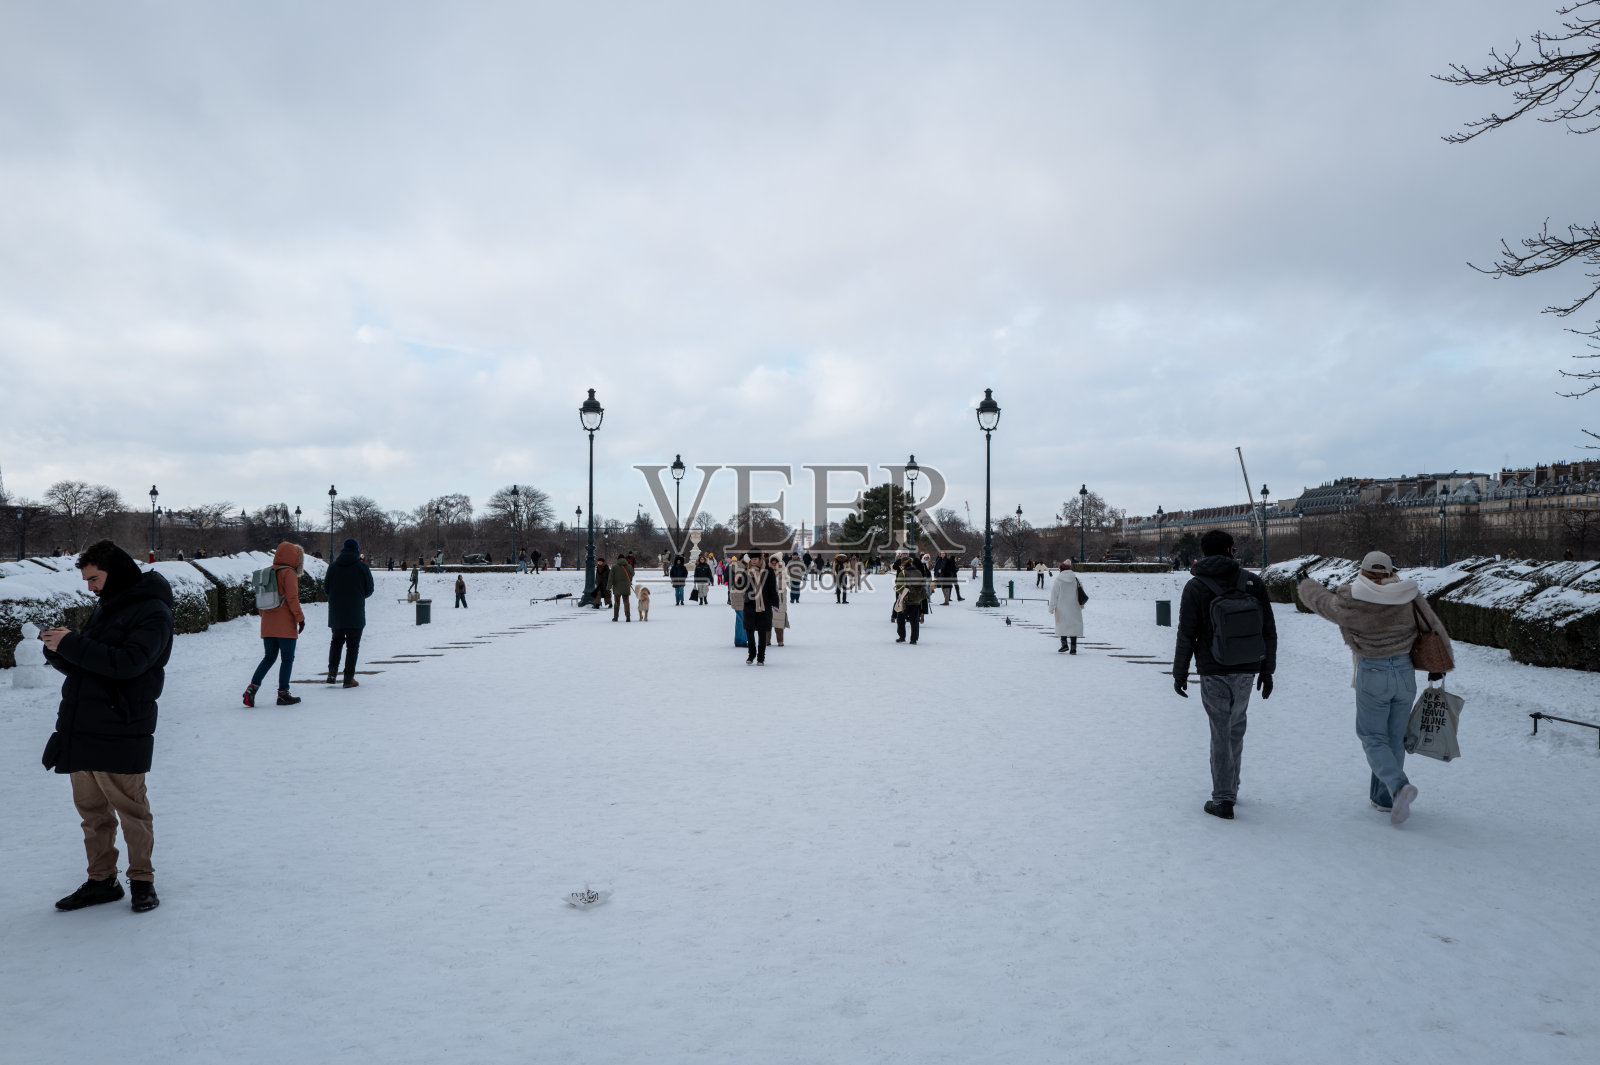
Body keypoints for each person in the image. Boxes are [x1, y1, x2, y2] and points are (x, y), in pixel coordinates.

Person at [40, 540, 173, 914]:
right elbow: (90, 667)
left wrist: (74, 644)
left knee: (132, 811)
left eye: (94, 578)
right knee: (93, 814)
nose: (90, 587)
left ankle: (142, 881)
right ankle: (101, 881)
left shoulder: (153, 611)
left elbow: (129, 664)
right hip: (81, 726)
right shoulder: (108, 607)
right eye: (87, 580)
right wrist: (59, 649)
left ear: (116, 573)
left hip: (122, 726)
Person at [1298, 550, 1453, 826]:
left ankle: (1398, 786)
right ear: (1391, 570)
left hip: (1373, 672)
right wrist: (1441, 663)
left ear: (1364, 570)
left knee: (1371, 736)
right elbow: (1434, 626)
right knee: (1394, 738)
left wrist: (1306, 585)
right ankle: (1383, 799)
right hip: (1405, 673)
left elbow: (1323, 604)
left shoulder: (1353, 598)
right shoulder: (1408, 594)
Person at [1172, 529, 1277, 821]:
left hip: (1212, 667)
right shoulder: (1252, 582)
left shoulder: (1195, 587)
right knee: (1236, 726)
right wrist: (1267, 670)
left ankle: (1223, 798)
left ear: (1203, 552)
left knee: (1220, 730)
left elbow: (1186, 634)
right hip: (1246, 666)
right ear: (1230, 550)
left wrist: (1179, 672)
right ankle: (1232, 786)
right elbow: (1268, 630)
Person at [244, 541, 307, 707]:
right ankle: (283, 694)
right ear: (294, 557)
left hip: (268, 624)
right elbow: (292, 599)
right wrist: (300, 618)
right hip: (285, 625)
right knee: (287, 659)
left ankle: (251, 689)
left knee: (269, 657)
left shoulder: (267, 572)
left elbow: (260, 600)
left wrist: (266, 618)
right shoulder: (289, 573)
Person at [325, 538, 375, 688]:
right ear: (357, 550)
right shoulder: (362, 567)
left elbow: (327, 588)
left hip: (337, 612)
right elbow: (370, 589)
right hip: (355, 612)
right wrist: (359, 596)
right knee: (353, 646)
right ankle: (348, 678)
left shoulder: (333, 567)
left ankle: (332, 673)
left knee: (336, 642)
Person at [741, 553, 779, 664]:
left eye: (755, 559)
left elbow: (773, 589)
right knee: (749, 630)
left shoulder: (769, 571)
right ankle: (751, 654)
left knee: (762, 631)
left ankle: (761, 657)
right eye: (752, 559)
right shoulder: (746, 571)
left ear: (760, 559)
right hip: (749, 604)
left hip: (764, 605)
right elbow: (739, 585)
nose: (754, 561)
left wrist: (775, 604)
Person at [1047, 560, 1084, 653]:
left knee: (1062, 624)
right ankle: (1073, 648)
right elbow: (1080, 592)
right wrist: (1081, 605)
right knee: (1073, 625)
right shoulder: (1075, 579)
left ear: (1061, 569)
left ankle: (1064, 644)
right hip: (1074, 606)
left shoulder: (1059, 580)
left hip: (1061, 606)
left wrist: (1051, 607)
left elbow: (1054, 595)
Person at [893, 555, 930, 644]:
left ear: (903, 565)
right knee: (914, 621)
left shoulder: (903, 573)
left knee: (900, 619)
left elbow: (898, 588)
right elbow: (922, 584)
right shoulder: (918, 572)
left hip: (905, 600)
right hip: (917, 600)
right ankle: (914, 639)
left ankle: (902, 637)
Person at [769, 554, 791, 646]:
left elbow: (788, 580)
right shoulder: (767, 570)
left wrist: (783, 585)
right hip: (769, 597)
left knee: (779, 619)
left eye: (776, 562)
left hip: (780, 597)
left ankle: (780, 640)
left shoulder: (784, 570)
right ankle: (767, 640)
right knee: (768, 620)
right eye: (772, 563)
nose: (774, 564)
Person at [609, 552, 635, 621]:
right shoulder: (629, 566)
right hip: (626, 586)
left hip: (617, 586)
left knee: (617, 602)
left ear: (618, 559)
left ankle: (615, 617)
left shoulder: (614, 567)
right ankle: (628, 616)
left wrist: (608, 587)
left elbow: (610, 577)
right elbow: (632, 573)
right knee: (626, 601)